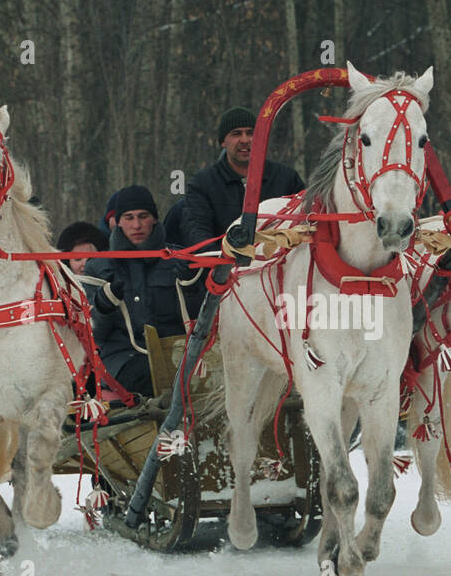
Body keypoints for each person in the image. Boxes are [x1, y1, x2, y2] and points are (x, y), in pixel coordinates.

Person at [85, 186, 202, 398]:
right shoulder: (97, 268)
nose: (136, 225)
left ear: (155, 219)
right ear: (117, 222)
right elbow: (93, 334)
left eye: (143, 216)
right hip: (122, 359)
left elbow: (200, 319)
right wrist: (102, 306)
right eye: (128, 218)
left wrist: (191, 287)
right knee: (154, 378)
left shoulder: (178, 260)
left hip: (176, 353)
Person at [177, 106, 304, 249]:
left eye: (250, 133)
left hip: (278, 264)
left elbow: (303, 222)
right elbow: (195, 228)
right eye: (236, 134)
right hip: (223, 263)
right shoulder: (203, 183)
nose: (244, 140)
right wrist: (220, 259)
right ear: (223, 142)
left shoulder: (286, 178)